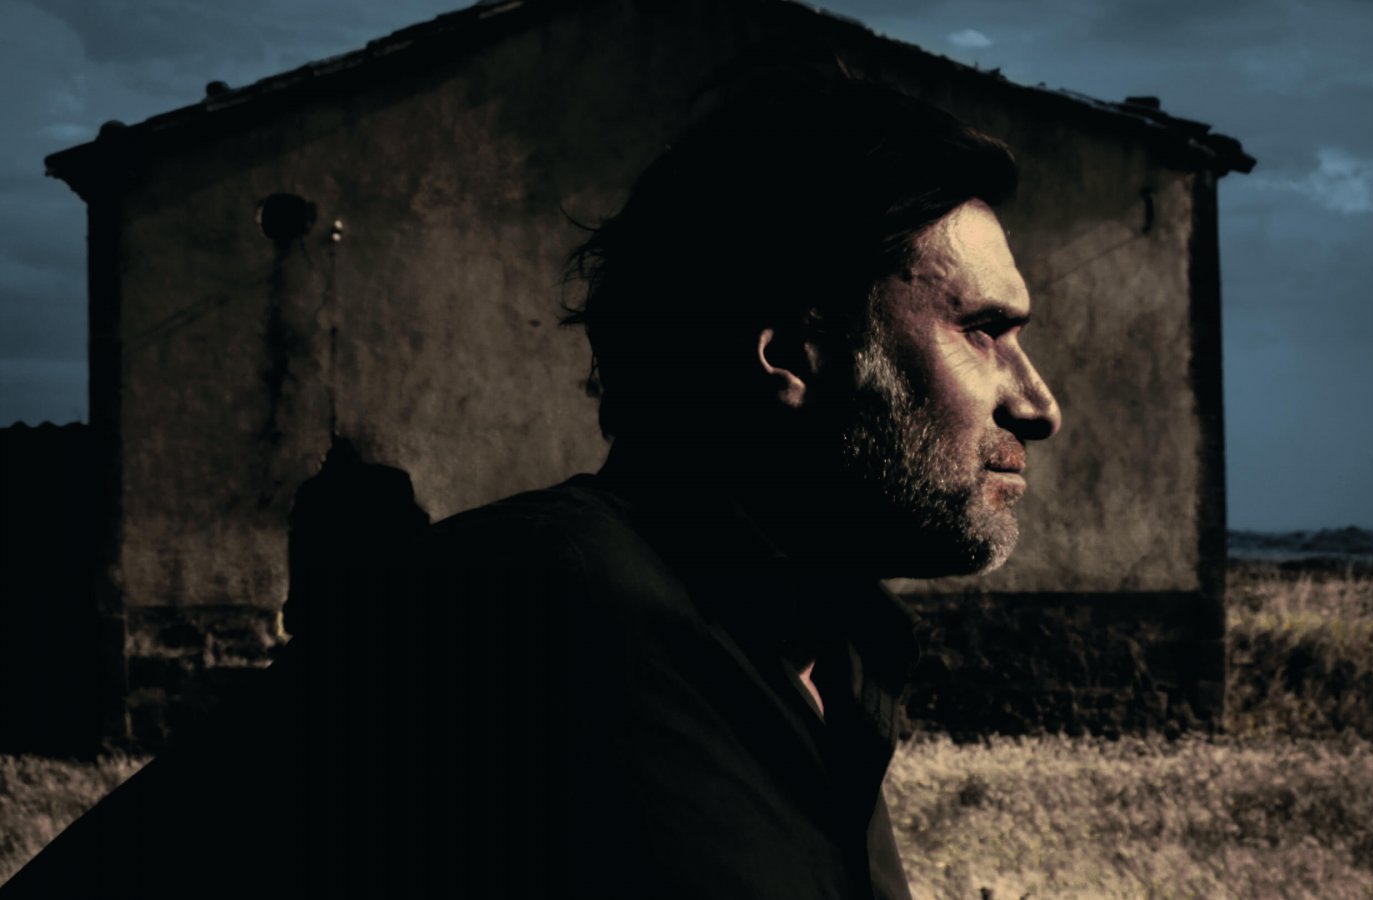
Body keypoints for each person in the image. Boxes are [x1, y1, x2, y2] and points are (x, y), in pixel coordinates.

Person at [3, 79, 1058, 898]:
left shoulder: (840, 660)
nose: (1038, 402)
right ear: (792, 354)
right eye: (983, 331)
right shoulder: (524, 610)